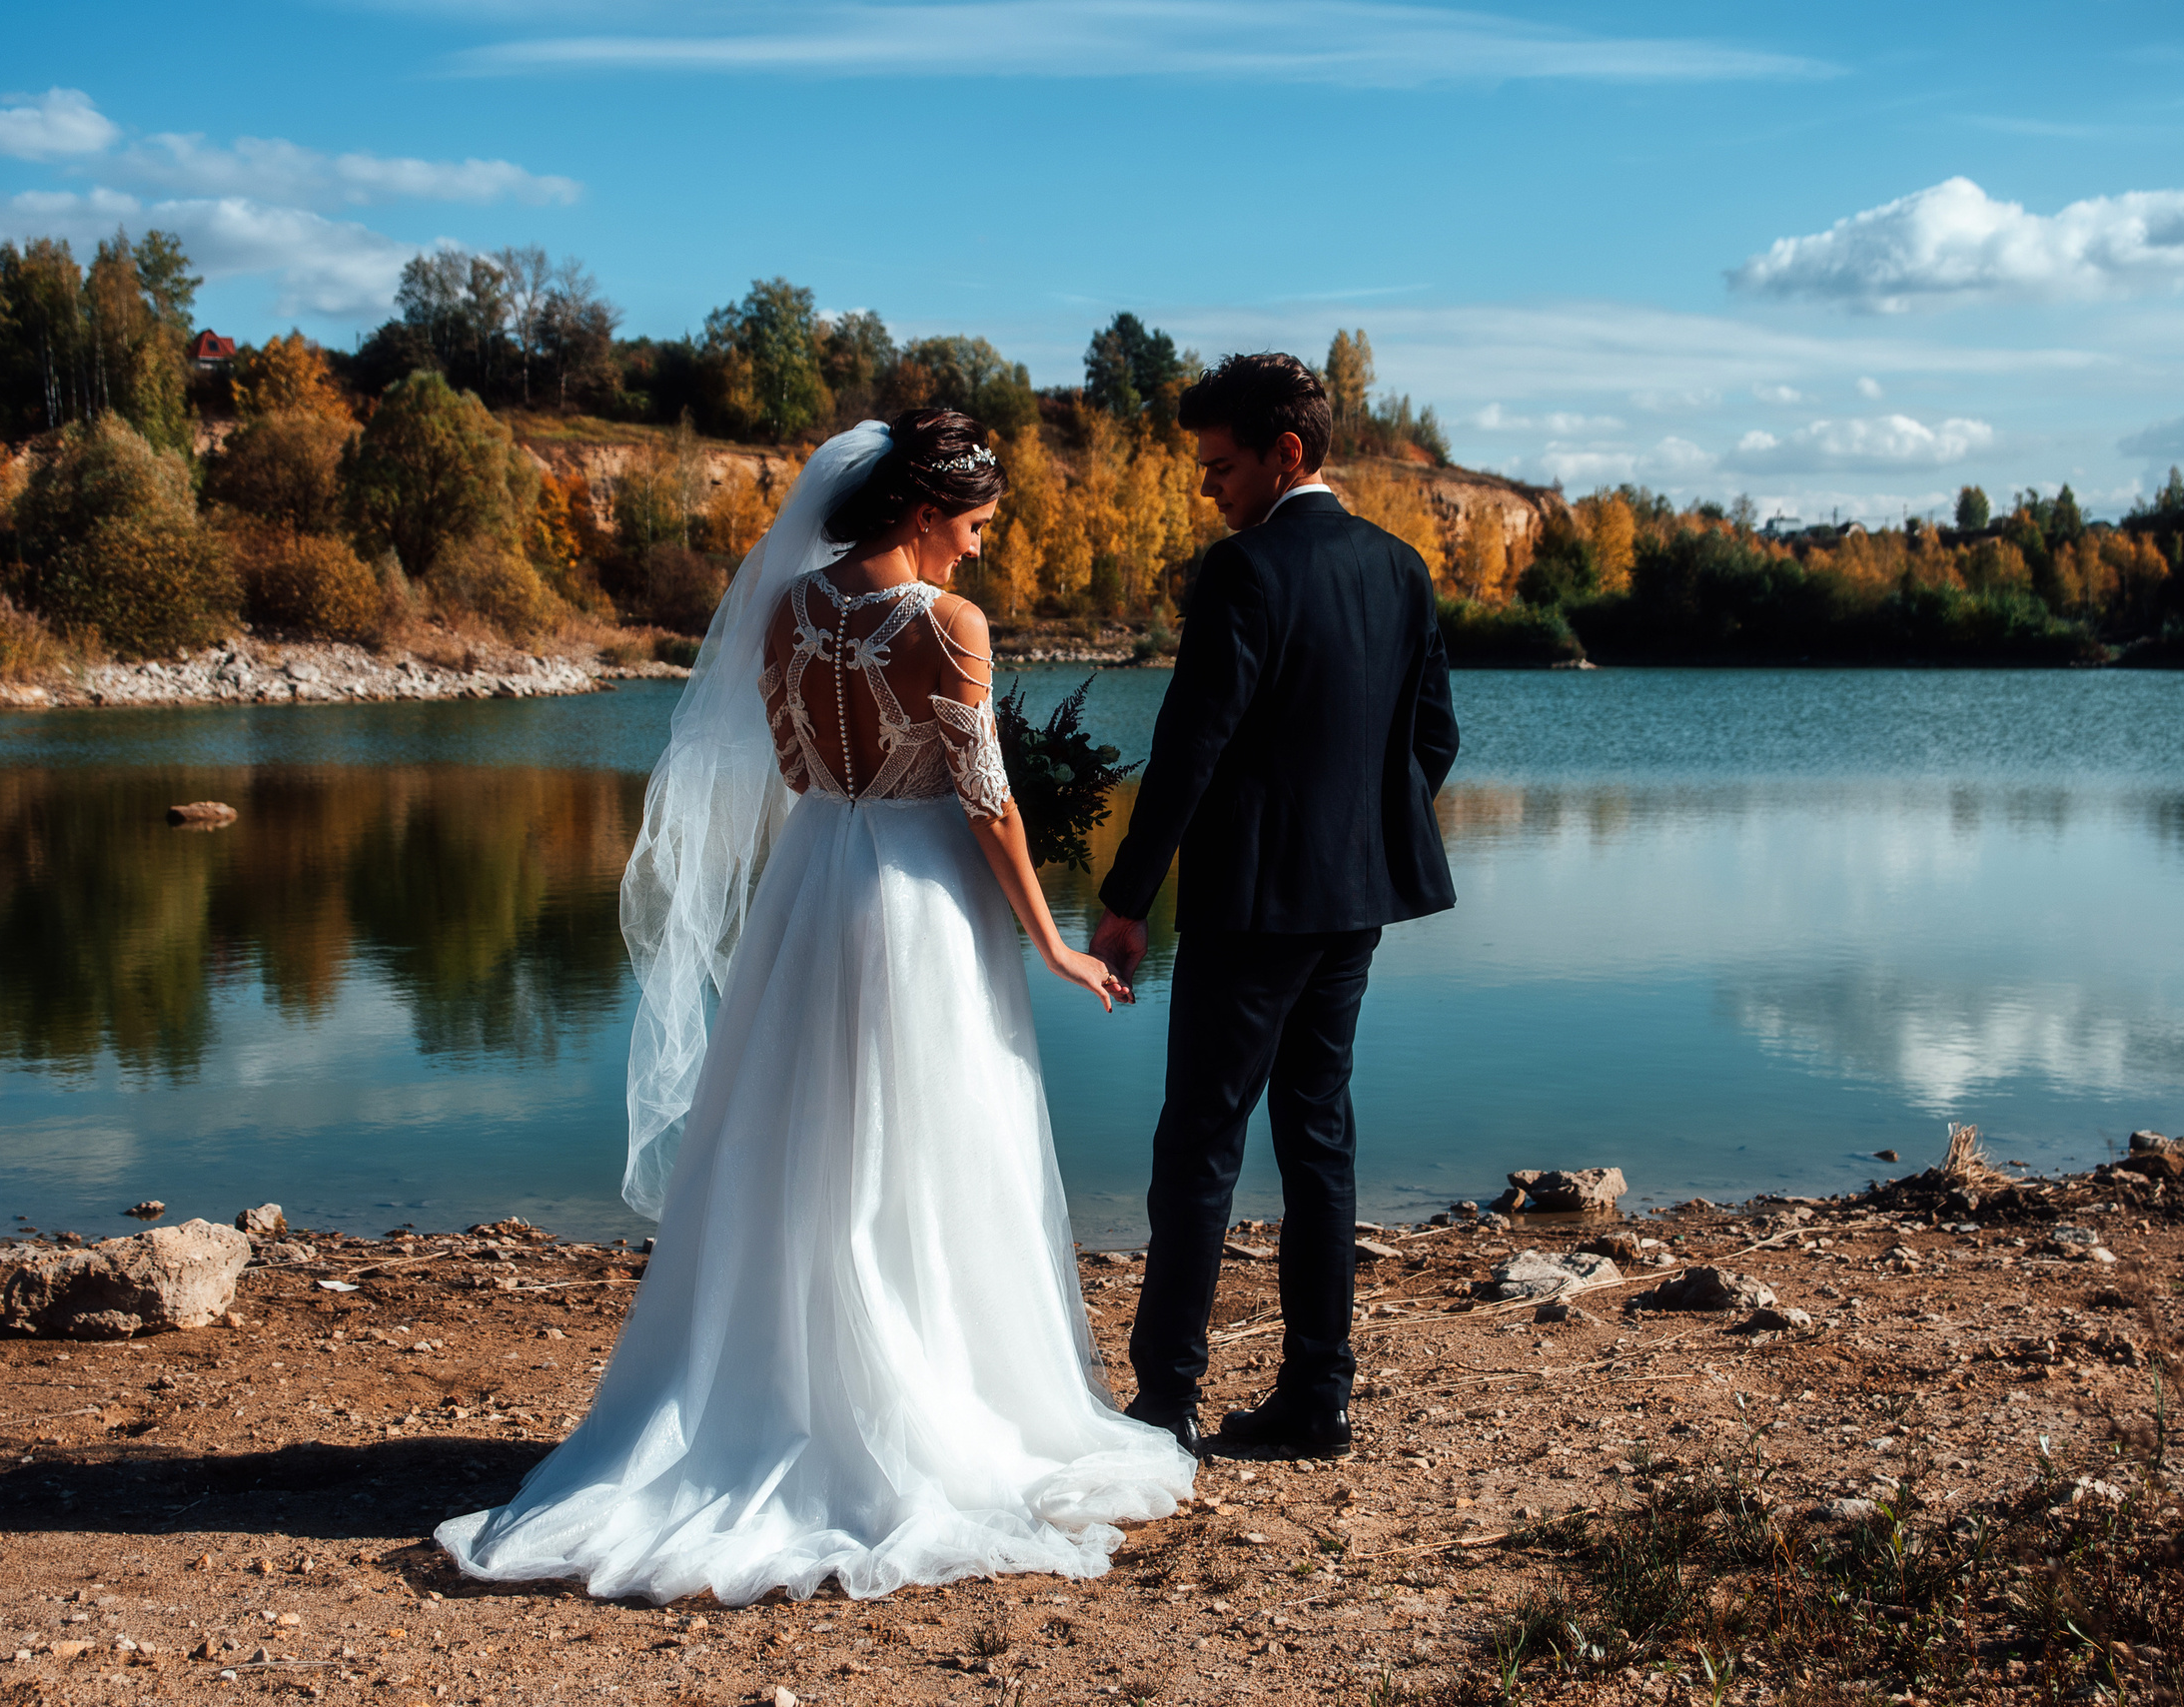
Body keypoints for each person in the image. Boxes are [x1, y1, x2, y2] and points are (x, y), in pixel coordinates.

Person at [437, 410, 1198, 1606]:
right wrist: (1047, 936)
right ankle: (918, 1406)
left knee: (795, 1142)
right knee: (928, 1142)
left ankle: (773, 1393)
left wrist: (870, 779)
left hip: (812, 884)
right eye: (977, 524)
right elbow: (985, 796)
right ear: (918, 511)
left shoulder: (791, 608)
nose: (981, 549)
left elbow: (795, 767)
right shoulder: (947, 625)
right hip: (917, 900)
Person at [1091, 354, 1459, 1462]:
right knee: (1318, 1138)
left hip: (1251, 908)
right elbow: (1431, 738)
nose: (1210, 488)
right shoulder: (1400, 567)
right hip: (1353, 904)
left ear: (1284, 454)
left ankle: (1167, 1403)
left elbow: (1189, 748)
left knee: (1198, 1143)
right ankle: (1317, 1396)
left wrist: (1123, 900)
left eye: (1221, 466)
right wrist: (1356, 834)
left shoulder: (1242, 572)